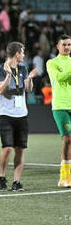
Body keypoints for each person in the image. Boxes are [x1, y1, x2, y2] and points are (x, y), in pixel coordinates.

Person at [0, 42, 37, 191]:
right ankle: (2, 177)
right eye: (23, 52)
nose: (24, 55)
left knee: (20, 149)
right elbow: (0, 90)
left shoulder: (23, 69)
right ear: (17, 54)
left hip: (22, 114)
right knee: (7, 148)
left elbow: (28, 89)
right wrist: (8, 76)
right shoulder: (0, 69)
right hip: (6, 114)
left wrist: (30, 78)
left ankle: (16, 181)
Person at [46, 34, 71, 187]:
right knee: (67, 138)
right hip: (60, 106)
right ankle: (64, 176)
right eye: (64, 45)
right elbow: (59, 78)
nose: (67, 47)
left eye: (69, 44)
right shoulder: (52, 63)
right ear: (57, 46)